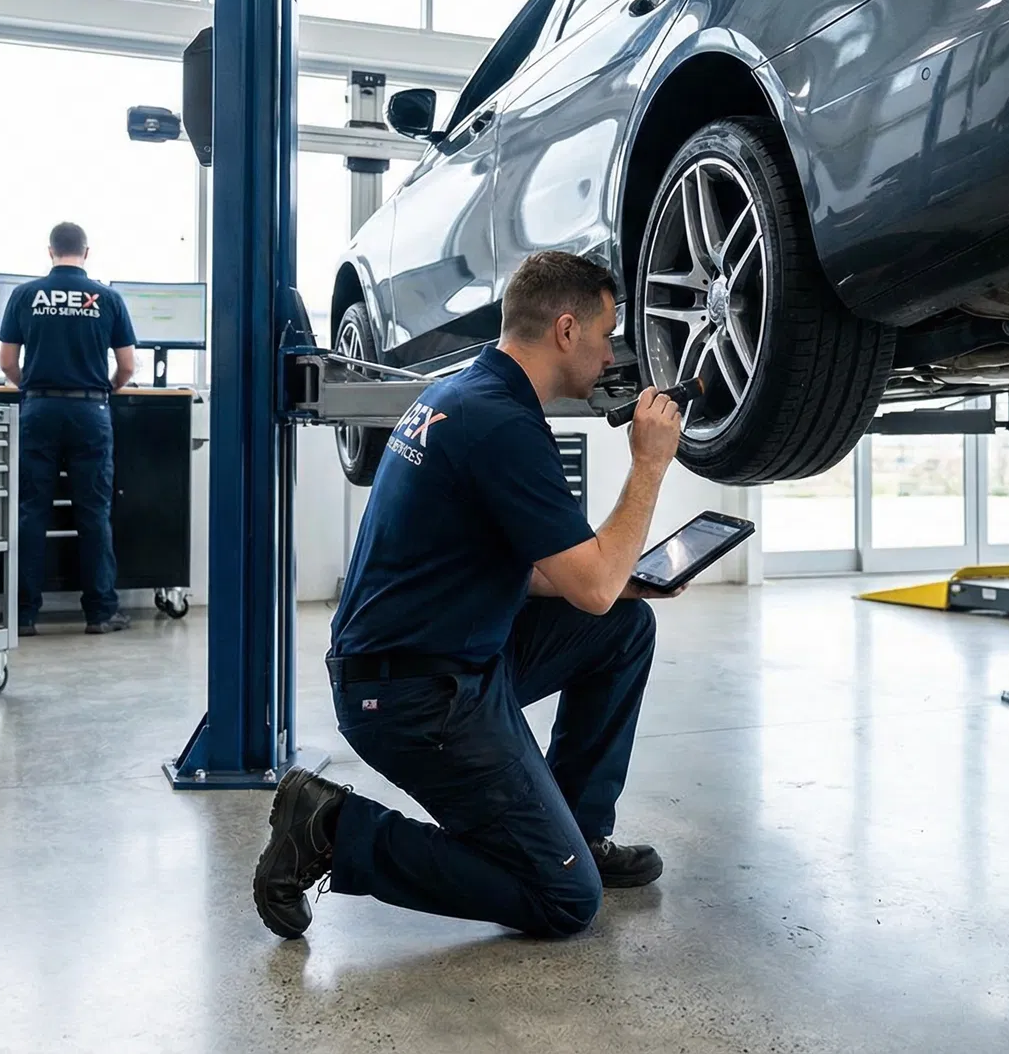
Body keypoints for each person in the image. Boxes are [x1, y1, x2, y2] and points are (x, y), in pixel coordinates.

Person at [252, 250, 686, 940]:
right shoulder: (502, 425)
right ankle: (334, 828)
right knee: (563, 900)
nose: (611, 356)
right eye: (607, 335)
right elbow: (594, 586)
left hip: (444, 657)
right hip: (416, 698)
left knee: (624, 627)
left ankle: (578, 830)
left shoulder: (466, 393)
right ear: (566, 331)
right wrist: (650, 464)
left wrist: (619, 578)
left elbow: (561, 577)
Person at [0, 222, 137, 637]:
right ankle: (100, 612)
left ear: (50, 251)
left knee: (31, 512)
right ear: (86, 253)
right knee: (94, 513)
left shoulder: (25, 295)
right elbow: (128, 366)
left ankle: (23, 615)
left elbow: (6, 362)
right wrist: (102, 390)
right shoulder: (108, 298)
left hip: (38, 410)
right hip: (90, 412)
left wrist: (33, 388)